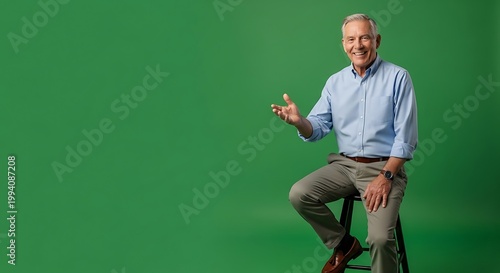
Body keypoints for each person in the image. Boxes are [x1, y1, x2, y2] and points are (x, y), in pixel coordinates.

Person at [271, 13, 418, 273]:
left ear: (377, 40)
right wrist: (298, 121)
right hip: (344, 166)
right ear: (343, 44)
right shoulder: (335, 82)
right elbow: (316, 128)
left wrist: (386, 175)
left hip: (384, 168)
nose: (357, 45)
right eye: (351, 39)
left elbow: (406, 138)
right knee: (299, 194)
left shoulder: (398, 77)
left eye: (364, 37)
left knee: (381, 239)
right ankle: (344, 243)